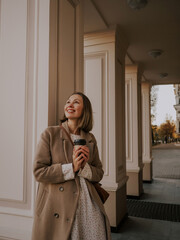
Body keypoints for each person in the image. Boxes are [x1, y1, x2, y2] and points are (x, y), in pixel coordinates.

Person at [31, 92, 111, 240]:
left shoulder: (90, 138)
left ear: (84, 110)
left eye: (76, 102)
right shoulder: (50, 134)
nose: (70, 105)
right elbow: (39, 172)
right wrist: (71, 167)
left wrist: (84, 167)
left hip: (89, 206)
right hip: (59, 207)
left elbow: (99, 173)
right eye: (68, 101)